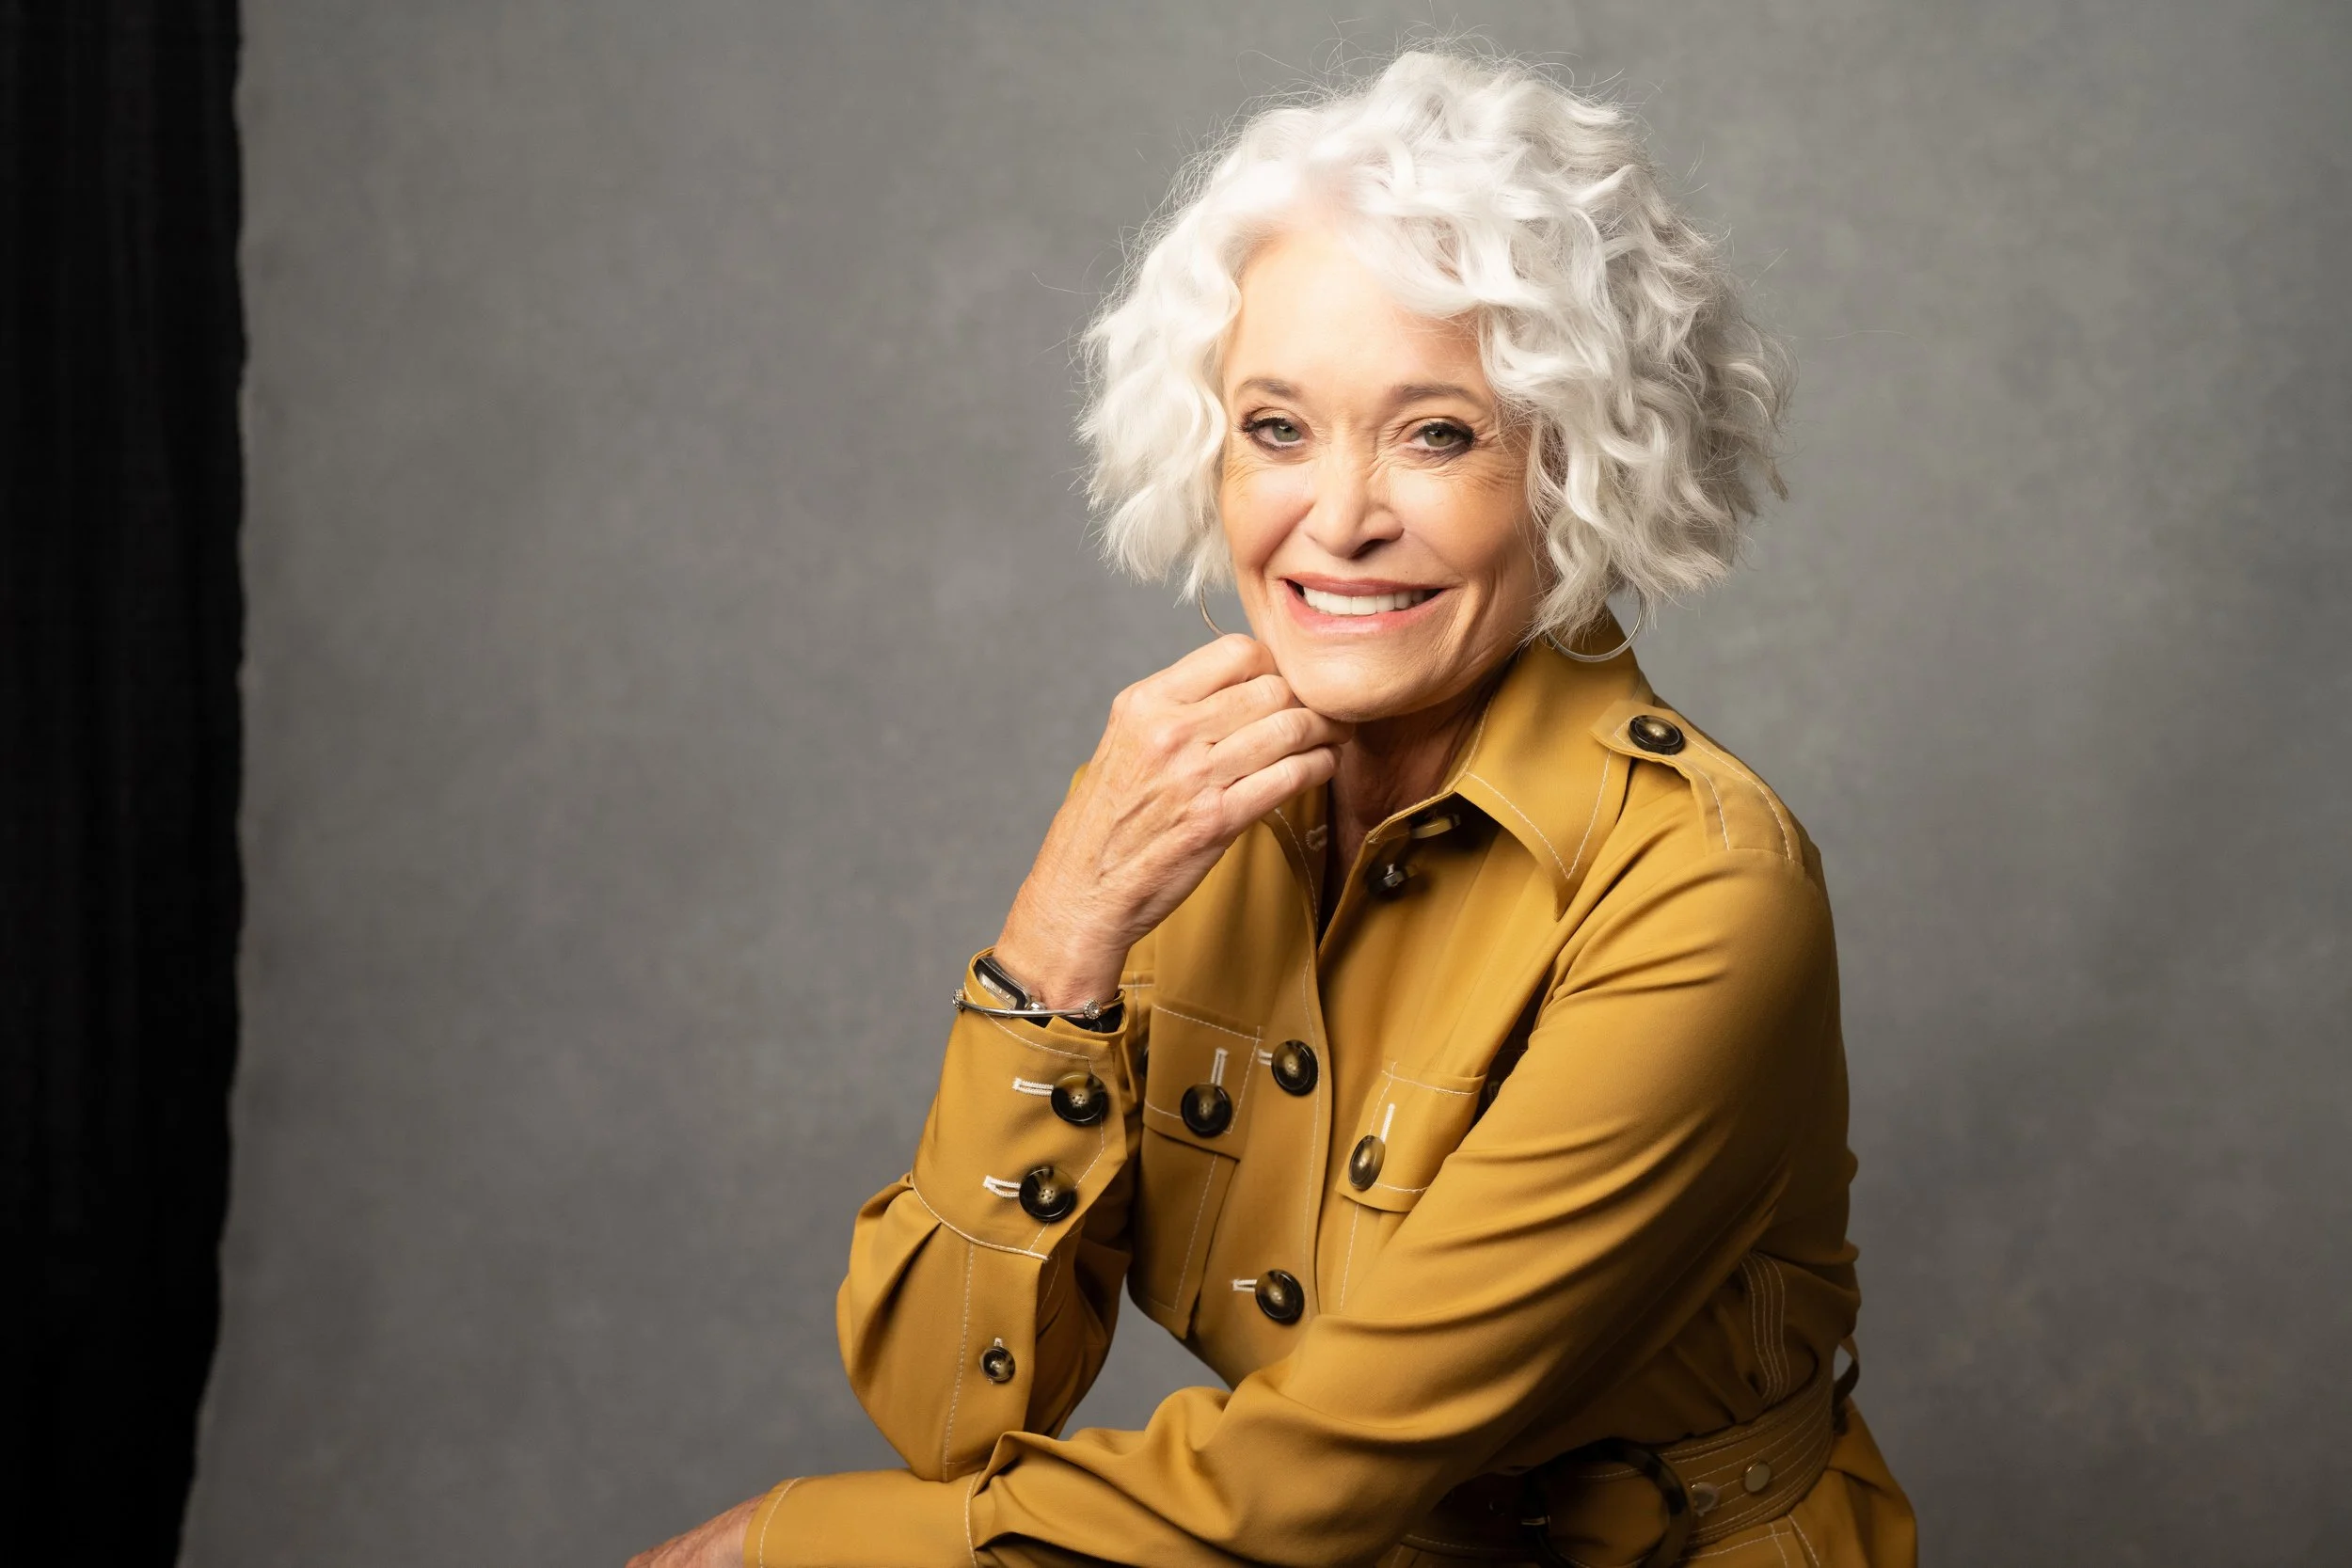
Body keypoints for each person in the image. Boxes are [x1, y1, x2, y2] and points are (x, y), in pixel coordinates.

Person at [633, 48, 1915, 1568]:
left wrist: (785, 1551)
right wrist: (1057, 934)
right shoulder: (1174, 809)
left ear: (1575, 466)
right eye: (1276, 426)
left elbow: (1317, 1472)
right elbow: (946, 1412)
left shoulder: (1703, 894)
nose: (1341, 516)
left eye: (1438, 433)